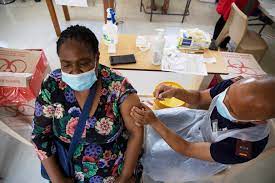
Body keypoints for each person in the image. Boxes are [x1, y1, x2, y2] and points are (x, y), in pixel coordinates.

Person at [32, 25, 143, 183]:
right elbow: (39, 136)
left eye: (83, 63)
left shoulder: (117, 86)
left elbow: (136, 132)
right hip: (68, 173)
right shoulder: (52, 87)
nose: (75, 71)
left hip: (114, 172)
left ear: (96, 57)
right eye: (67, 65)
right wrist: (58, 180)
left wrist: (124, 177)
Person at [130, 76, 274, 182]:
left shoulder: (244, 146)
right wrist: (176, 92)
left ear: (257, 120)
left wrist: (154, 122)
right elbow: (199, 97)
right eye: (227, 94)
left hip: (201, 153)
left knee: (156, 158)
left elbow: (188, 149)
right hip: (198, 122)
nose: (222, 101)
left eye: (230, 108)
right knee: (154, 123)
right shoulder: (238, 85)